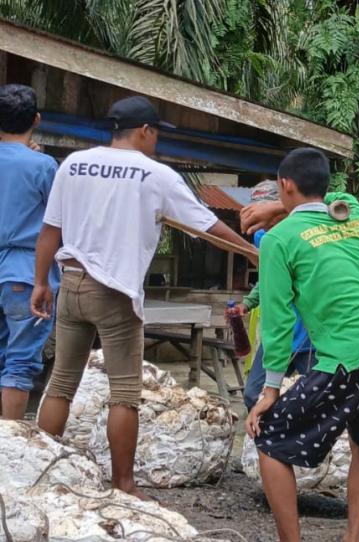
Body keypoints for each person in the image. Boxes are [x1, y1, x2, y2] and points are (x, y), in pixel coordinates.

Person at [31, 95, 254, 499]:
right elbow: (206, 226)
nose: (156, 143)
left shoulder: (73, 165)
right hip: (113, 292)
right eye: (156, 135)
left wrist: (40, 283)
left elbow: (51, 229)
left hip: (72, 282)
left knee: (61, 383)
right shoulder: (156, 175)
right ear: (145, 131)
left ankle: (38, 476)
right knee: (125, 393)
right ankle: (124, 484)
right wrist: (253, 252)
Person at [245, 147, 359, 542]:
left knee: (270, 437)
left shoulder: (279, 242)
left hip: (348, 355)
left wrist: (269, 391)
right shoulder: (350, 213)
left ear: (284, 185)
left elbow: (279, 322)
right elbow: (336, 195)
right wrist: (276, 207)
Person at [0, 84, 58, 419]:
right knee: (19, 362)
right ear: (36, 119)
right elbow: (58, 222)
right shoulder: (43, 165)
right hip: (26, 271)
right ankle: (9, 450)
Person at [239, 181, 315, 410]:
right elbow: (270, 277)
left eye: (266, 212)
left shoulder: (306, 233)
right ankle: (277, 440)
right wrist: (249, 302)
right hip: (278, 334)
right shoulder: (262, 237)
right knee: (254, 395)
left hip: (309, 336)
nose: (260, 221)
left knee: (312, 400)